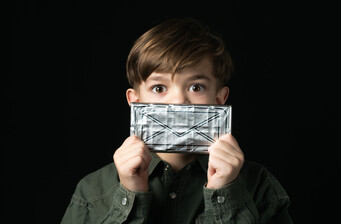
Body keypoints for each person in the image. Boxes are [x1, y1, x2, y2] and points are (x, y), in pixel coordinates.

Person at [61, 17, 293, 223]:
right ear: (135, 101)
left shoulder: (260, 187)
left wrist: (225, 196)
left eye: (196, 87)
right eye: (159, 87)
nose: (179, 101)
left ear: (220, 99)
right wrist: (130, 195)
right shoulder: (91, 192)